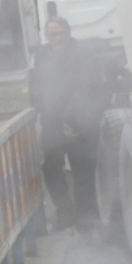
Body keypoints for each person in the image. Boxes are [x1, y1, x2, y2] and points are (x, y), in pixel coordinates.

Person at [30, 16, 109, 229]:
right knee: (51, 167)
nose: (57, 38)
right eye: (52, 34)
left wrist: (69, 120)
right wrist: (38, 106)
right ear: (46, 36)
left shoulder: (83, 53)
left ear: (68, 33)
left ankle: (86, 217)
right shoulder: (42, 54)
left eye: (60, 34)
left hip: (80, 121)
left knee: (82, 168)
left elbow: (85, 88)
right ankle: (64, 213)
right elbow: (37, 84)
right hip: (52, 122)